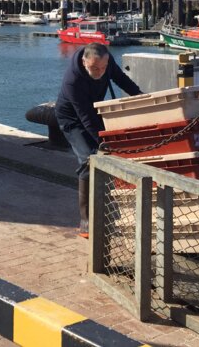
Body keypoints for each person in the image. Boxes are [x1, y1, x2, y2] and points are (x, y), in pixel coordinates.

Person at [55, 42, 142, 238]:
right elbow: (84, 117)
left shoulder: (107, 63)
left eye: (103, 68)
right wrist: (102, 141)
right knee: (88, 158)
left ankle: (113, 207)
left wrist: (142, 98)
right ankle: (86, 219)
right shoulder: (73, 80)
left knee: (110, 152)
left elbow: (123, 81)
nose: (100, 72)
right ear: (84, 61)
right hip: (71, 118)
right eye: (94, 68)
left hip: (95, 110)